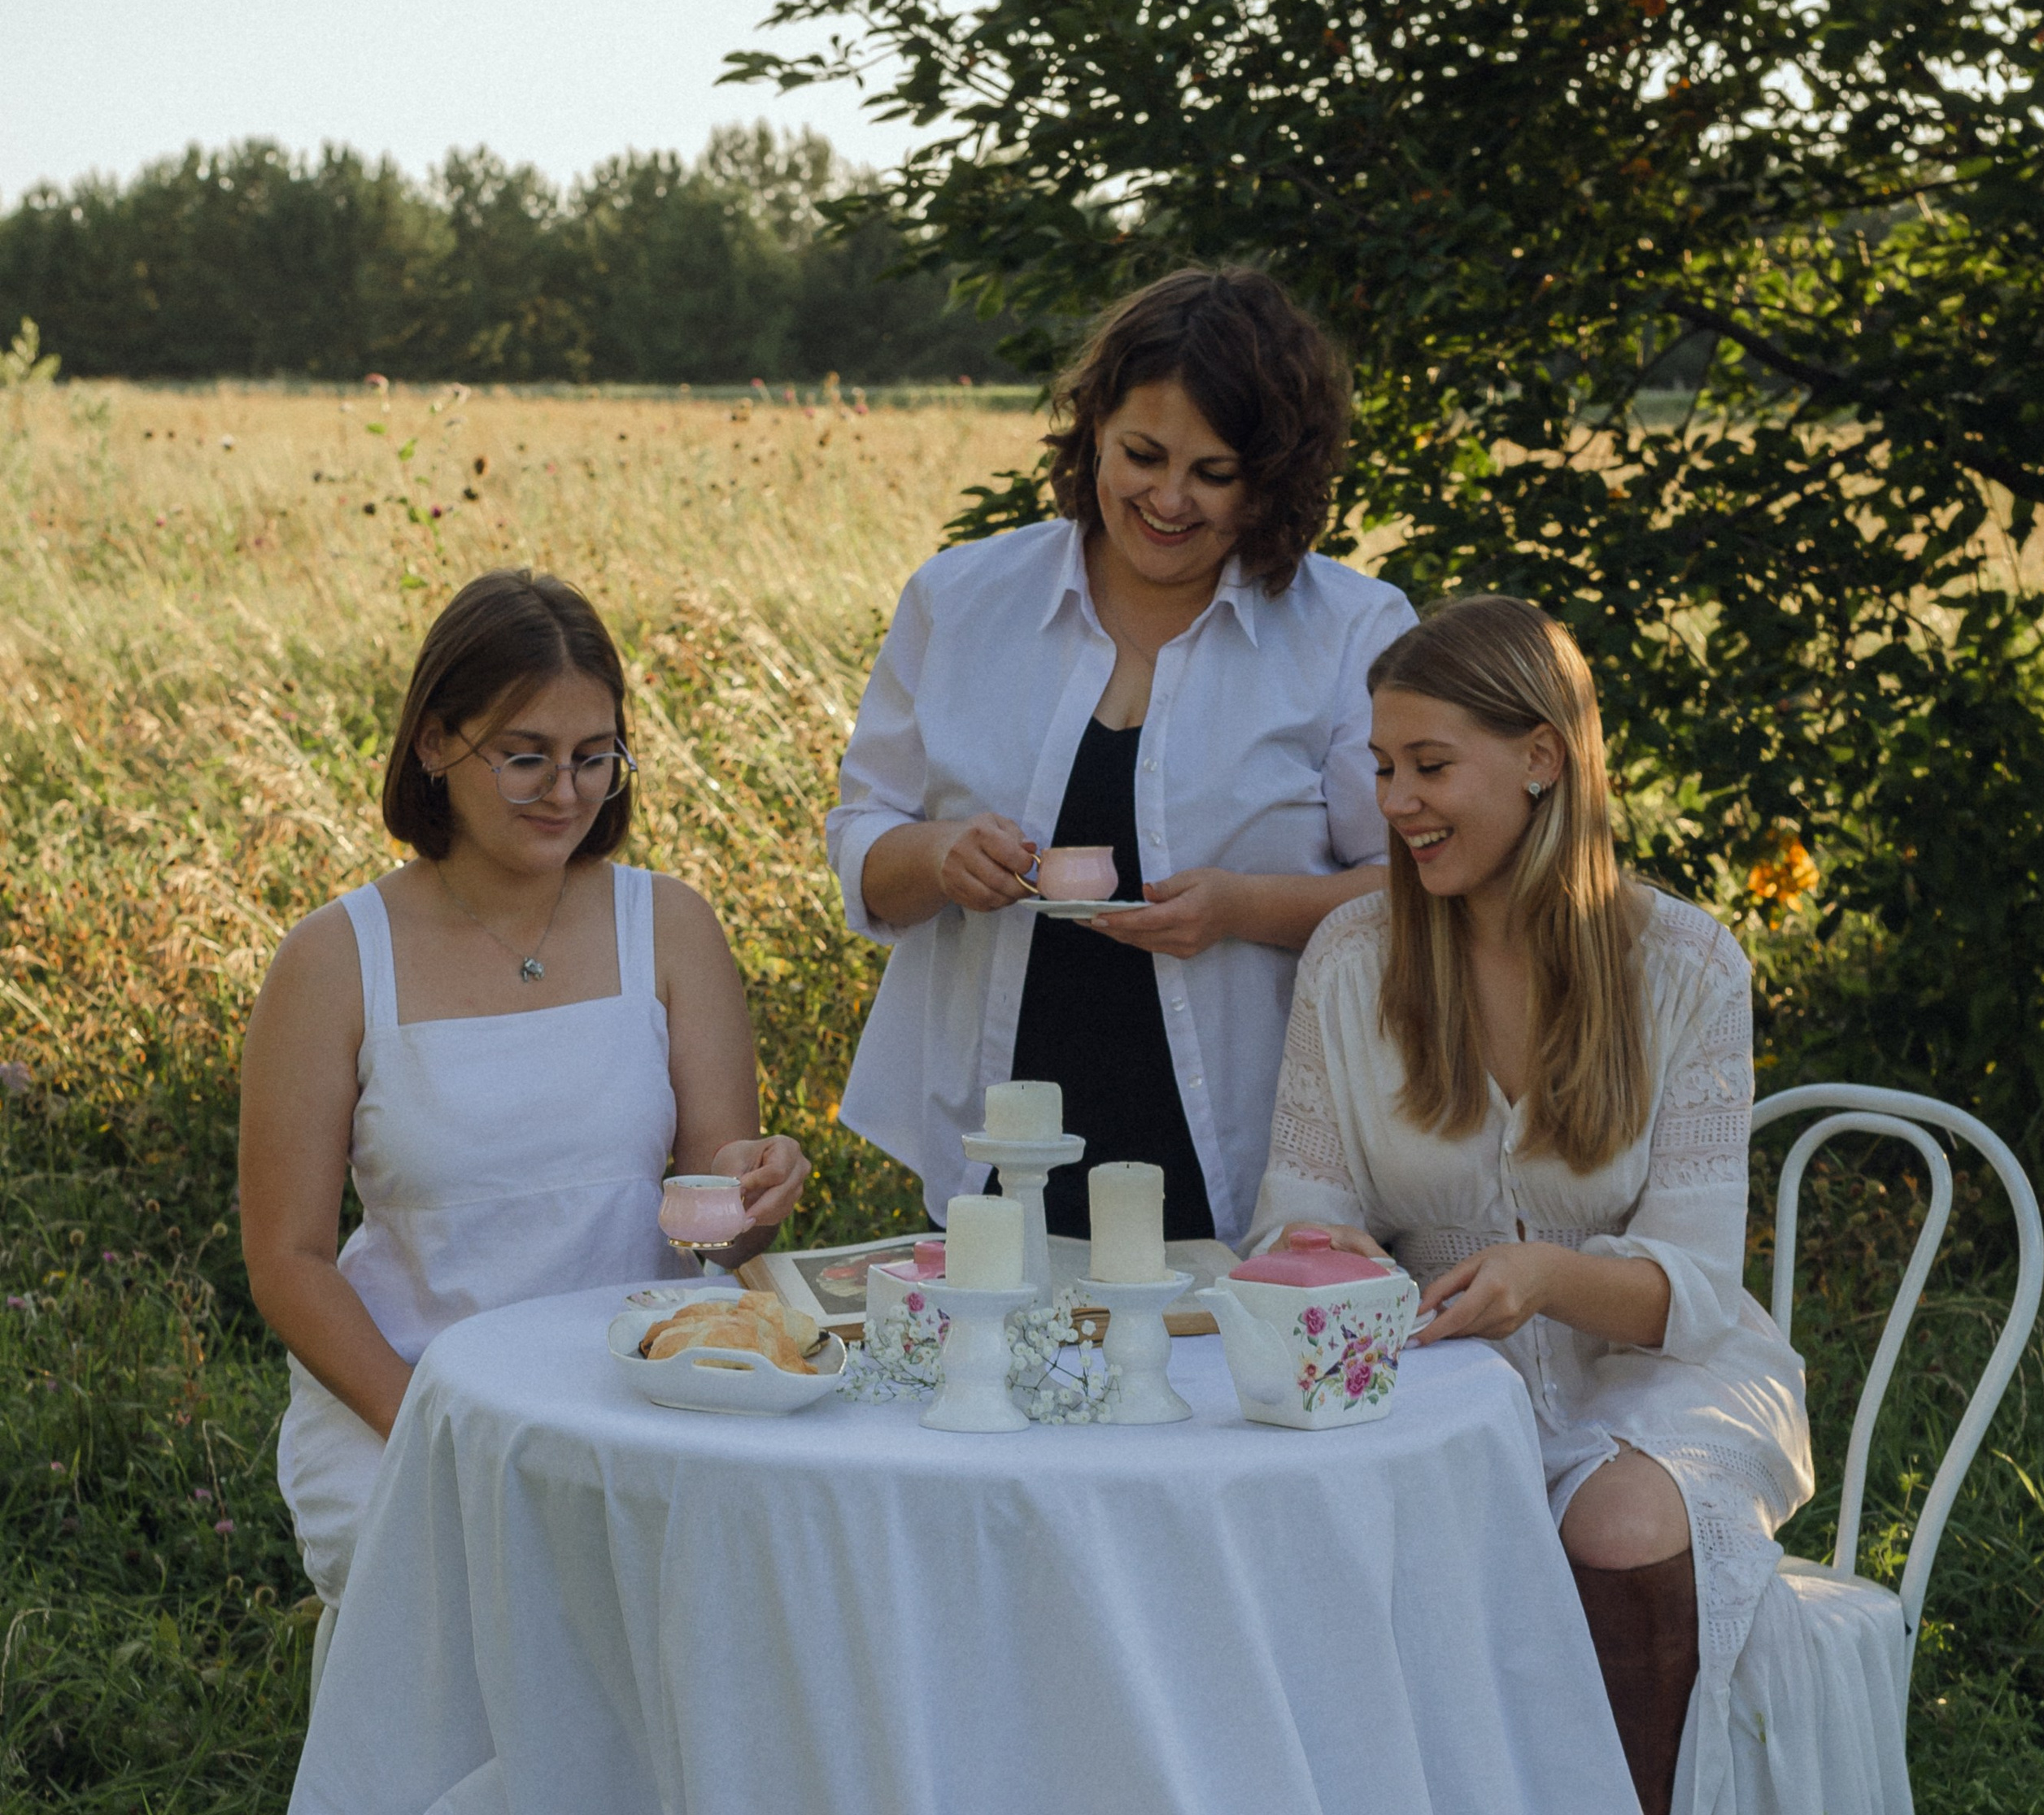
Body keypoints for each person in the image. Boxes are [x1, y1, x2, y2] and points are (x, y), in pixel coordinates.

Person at [1248, 594, 1889, 1815]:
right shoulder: (1355, 959)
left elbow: (1693, 1280)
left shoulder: (1685, 964)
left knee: (1614, 1528)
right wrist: (1335, 1246)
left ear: (1541, 758)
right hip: (1446, 1374)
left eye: (1428, 766)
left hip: (1665, 1373)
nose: (1394, 804)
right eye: (1383, 768)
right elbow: (1301, 1207)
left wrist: (1540, 1276)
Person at [241, 568, 808, 1649]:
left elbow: (719, 1221)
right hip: (406, 1390)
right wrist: (437, 1427)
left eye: (596, 755)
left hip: (633, 1377)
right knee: (475, 1591)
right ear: (435, 746)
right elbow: (289, 1258)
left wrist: (760, 1183)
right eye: (526, 756)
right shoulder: (332, 959)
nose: (567, 791)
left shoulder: (671, 927)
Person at [827, 268, 1416, 1244]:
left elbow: (1415, 886)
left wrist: (1244, 907)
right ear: (1091, 424)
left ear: (1274, 477)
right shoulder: (961, 599)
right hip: (994, 1151)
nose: (1168, 499)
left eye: (1214, 473)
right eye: (1142, 454)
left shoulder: (1352, 631)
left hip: (1255, 1149)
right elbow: (862, 839)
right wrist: (937, 857)